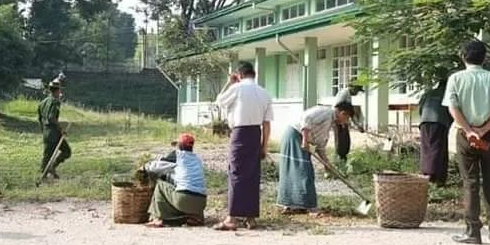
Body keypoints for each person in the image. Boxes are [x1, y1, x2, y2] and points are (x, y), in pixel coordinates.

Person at [442, 40, 490, 244]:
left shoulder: (456, 79)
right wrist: (484, 129)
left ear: (463, 57)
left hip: (465, 135)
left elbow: (453, 109)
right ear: (484, 58)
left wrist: (470, 131)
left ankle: (473, 231)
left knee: (470, 182)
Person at [213, 62, 273, 231]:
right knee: (253, 175)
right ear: (253, 74)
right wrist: (264, 146)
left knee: (236, 173)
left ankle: (232, 217)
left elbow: (219, 102)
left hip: (239, 133)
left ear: (238, 75)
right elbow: (267, 124)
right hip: (256, 134)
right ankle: (250, 217)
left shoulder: (237, 88)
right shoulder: (264, 93)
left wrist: (229, 83)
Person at [276, 103, 354, 213]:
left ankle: (296, 206)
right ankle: (307, 206)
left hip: (302, 139)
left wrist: (327, 165)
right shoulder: (326, 112)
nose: (346, 122)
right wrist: (304, 139)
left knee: (299, 171)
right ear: (342, 113)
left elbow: (320, 146)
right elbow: (307, 119)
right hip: (295, 136)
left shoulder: (329, 123)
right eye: (347, 118)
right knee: (303, 171)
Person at [143, 133, 207, 228]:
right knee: (189, 187)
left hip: (183, 199)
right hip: (201, 203)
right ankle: (195, 217)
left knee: (160, 184)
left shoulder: (177, 155)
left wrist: (144, 167)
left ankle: (157, 218)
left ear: (179, 146)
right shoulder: (197, 159)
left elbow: (155, 166)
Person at [418, 76, 452, 185]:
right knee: (438, 149)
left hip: (424, 122)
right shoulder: (448, 94)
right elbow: (452, 110)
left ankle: (427, 174)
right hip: (439, 123)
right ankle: (434, 177)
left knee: (426, 148)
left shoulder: (429, 93)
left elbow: (420, 107)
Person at [38, 79, 71, 179]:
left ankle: (51, 168)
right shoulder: (55, 102)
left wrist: (43, 130)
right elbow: (51, 117)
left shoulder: (43, 102)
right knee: (51, 155)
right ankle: (43, 176)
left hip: (47, 132)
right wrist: (61, 128)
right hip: (53, 133)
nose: (60, 92)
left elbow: (40, 119)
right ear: (57, 91)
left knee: (65, 151)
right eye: (60, 90)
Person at [333, 84, 364, 164]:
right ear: (353, 87)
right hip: (339, 122)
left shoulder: (348, 95)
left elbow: (351, 113)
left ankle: (343, 160)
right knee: (341, 142)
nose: (357, 93)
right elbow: (337, 108)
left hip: (344, 121)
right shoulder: (344, 93)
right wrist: (341, 122)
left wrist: (358, 125)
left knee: (346, 142)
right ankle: (339, 161)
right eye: (357, 90)